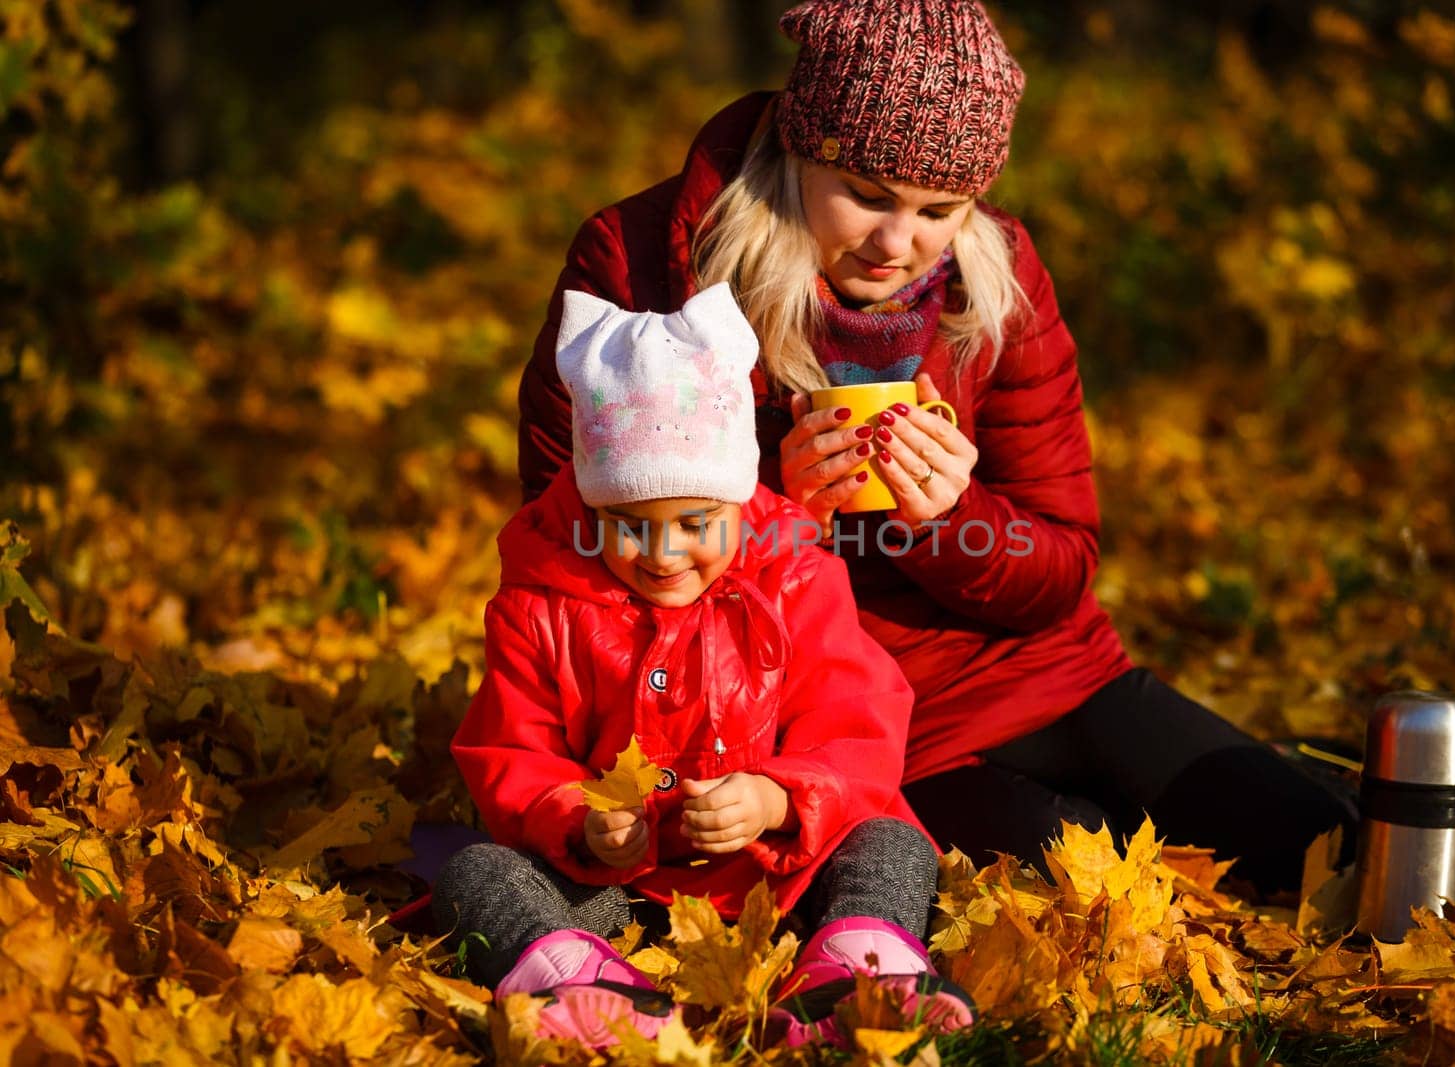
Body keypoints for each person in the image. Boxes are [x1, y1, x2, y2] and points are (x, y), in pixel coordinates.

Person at [514, 0, 1357, 896]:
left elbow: (1063, 563)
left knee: (1316, 843)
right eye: (868, 196)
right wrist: (774, 517)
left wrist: (947, 519)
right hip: (836, 715)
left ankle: (1346, 785)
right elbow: (574, 556)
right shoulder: (641, 265)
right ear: (799, 148)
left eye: (939, 209)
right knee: (1100, 872)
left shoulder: (998, 274)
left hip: (1044, 668)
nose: (896, 244)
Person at [434, 283, 974, 1050]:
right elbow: (512, 749)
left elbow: (857, 724)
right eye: (628, 527)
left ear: (738, 499)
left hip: (779, 874)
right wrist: (580, 822)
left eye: (695, 524)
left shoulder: (795, 577)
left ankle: (856, 975)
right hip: (619, 889)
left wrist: (777, 797)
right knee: (478, 873)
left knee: (891, 841)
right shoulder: (542, 600)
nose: (661, 555)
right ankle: (583, 991)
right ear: (591, 510)